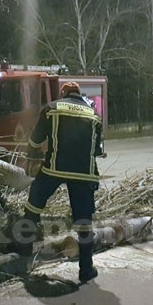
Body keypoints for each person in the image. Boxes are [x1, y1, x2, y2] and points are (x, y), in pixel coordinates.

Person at [18, 81, 103, 283]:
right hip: (84, 174)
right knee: (84, 223)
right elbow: (98, 150)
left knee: (34, 202)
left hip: (54, 169)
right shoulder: (94, 114)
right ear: (79, 94)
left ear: (63, 93)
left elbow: (35, 140)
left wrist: (32, 154)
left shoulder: (52, 108)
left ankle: (24, 247)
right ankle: (86, 269)